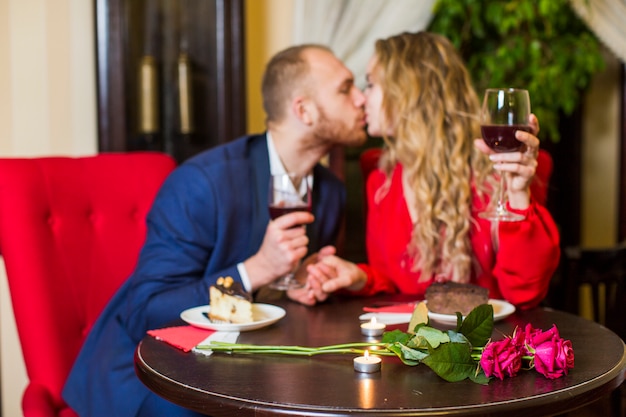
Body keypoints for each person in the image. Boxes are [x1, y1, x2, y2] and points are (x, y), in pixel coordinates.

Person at [62, 44, 367, 417]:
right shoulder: (201, 183)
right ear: (303, 110)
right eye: (346, 88)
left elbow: (284, 301)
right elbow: (145, 310)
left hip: (250, 372)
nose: (362, 99)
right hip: (155, 380)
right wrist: (255, 270)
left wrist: (305, 281)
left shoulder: (331, 192)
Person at [306, 31, 560, 310]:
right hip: (410, 347)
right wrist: (359, 277)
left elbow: (524, 293)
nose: (363, 99)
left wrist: (517, 193)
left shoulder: (496, 168)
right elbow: (397, 284)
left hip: (485, 347)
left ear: (408, 93)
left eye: (370, 85)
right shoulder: (382, 179)